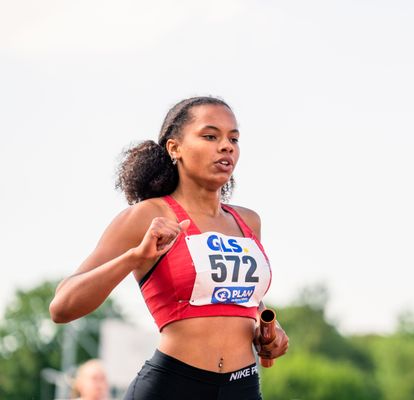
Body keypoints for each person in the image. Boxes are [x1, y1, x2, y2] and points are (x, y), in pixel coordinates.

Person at [50, 96, 289, 399]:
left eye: (234, 138)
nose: (226, 146)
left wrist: (269, 326)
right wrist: (135, 257)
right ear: (174, 148)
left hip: (241, 388)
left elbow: (248, 302)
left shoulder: (248, 221)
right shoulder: (148, 216)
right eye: (210, 136)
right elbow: (62, 307)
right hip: (172, 386)